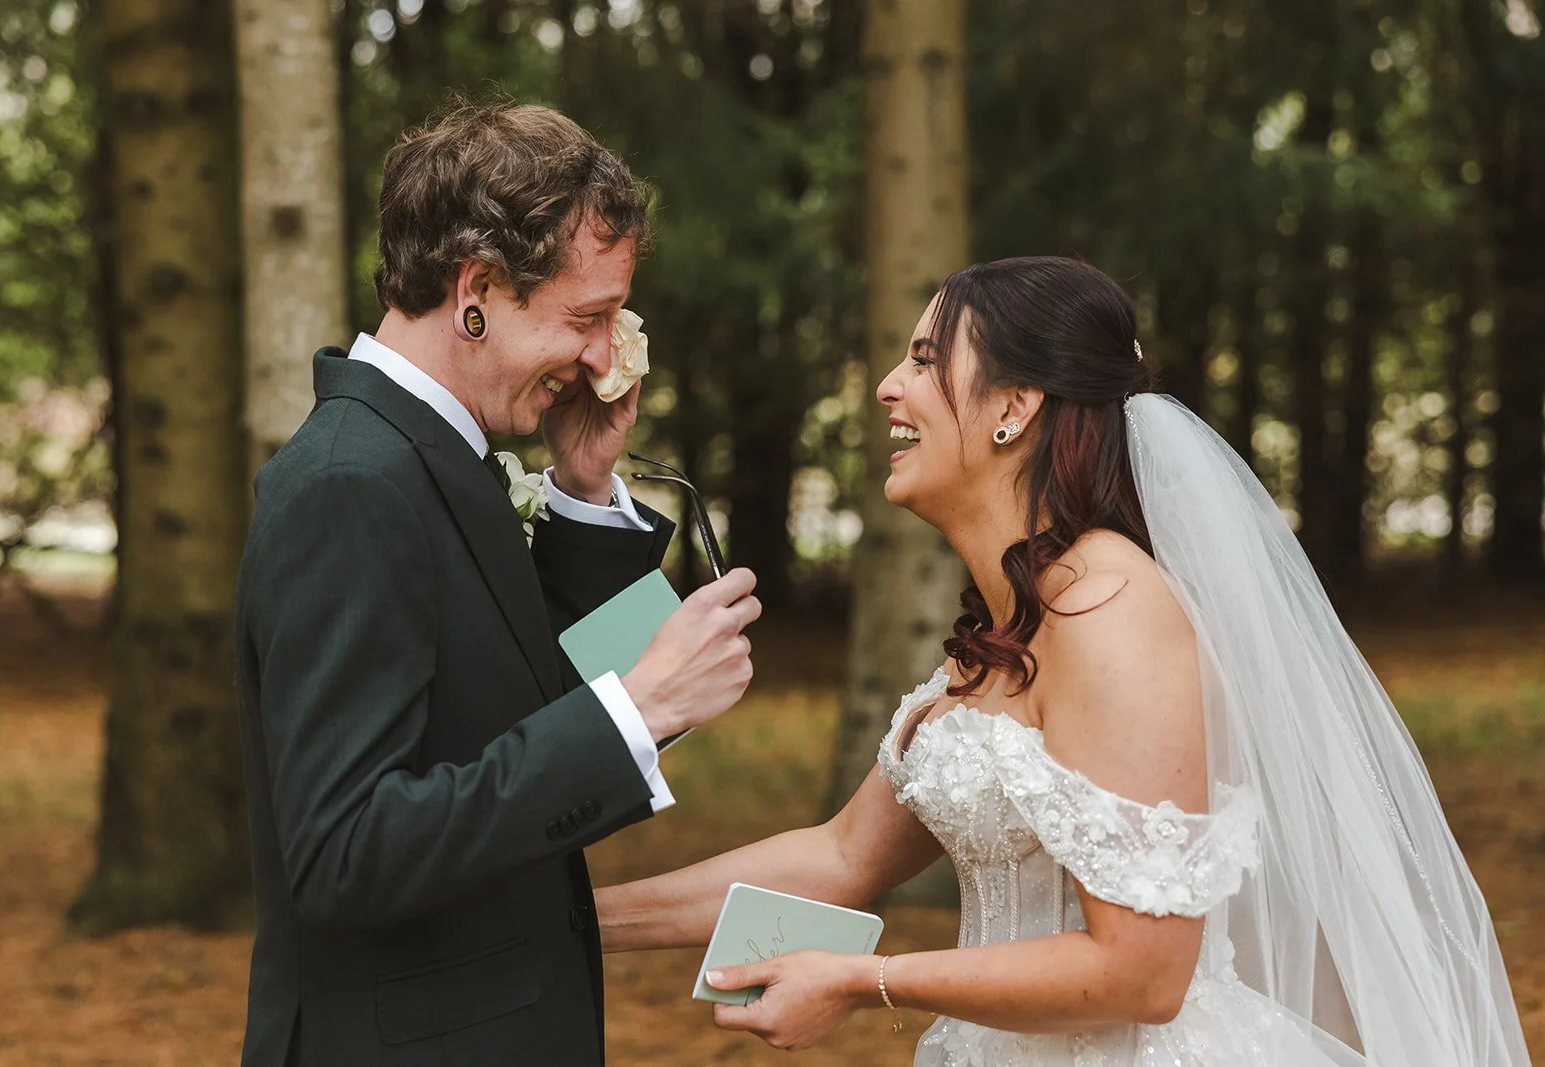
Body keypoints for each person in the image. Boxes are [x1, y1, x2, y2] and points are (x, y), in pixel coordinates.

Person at [595, 257, 1531, 1066]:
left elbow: (1144, 968)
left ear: (1014, 406)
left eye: (924, 359)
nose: (887, 386)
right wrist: (575, 918)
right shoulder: (1015, 619)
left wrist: (864, 978)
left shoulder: (1108, 607)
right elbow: (841, 857)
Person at [233, 98, 760, 1066]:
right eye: (586, 317)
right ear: (475, 288)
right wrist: (630, 716)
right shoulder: (352, 481)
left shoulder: (435, 450)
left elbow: (508, 700)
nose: (605, 357)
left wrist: (585, 487)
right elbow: (344, 851)